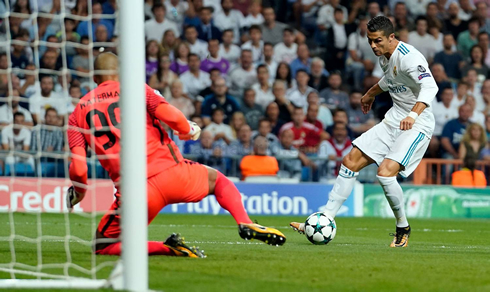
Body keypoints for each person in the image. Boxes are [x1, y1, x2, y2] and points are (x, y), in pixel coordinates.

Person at [66, 53, 286, 258]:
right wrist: (188, 129)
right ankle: (244, 221)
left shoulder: (78, 112)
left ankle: (167, 248)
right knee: (218, 181)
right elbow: (170, 114)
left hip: (136, 194)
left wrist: (78, 194)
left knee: (103, 245)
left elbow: (79, 168)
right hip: (173, 173)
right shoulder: (136, 88)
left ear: (94, 77)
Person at [290, 16, 438, 248]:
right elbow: (389, 80)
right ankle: (326, 217)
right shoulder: (385, 57)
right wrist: (370, 93)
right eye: (370, 41)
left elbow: (430, 86)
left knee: (385, 173)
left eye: (377, 41)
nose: (373, 46)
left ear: (392, 37)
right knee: (350, 161)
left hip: (417, 123)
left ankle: (402, 227)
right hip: (394, 120)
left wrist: (413, 115)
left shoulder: (410, 57)